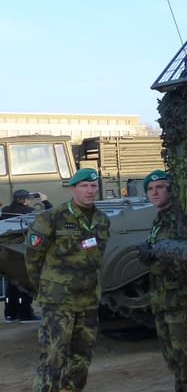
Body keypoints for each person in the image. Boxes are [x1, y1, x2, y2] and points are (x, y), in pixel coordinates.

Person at [25, 168, 111, 392]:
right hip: (59, 302)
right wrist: (45, 289)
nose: (90, 190)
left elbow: (97, 257)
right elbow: (33, 259)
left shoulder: (102, 220)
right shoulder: (51, 218)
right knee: (53, 359)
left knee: (81, 361)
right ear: (73, 188)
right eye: (84, 186)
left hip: (88, 301)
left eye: (93, 186)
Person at [140, 169, 187, 392]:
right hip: (163, 301)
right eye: (150, 189)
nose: (154, 192)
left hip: (182, 301)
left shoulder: (181, 218)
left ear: (170, 189)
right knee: (173, 358)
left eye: (160, 187)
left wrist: (154, 256)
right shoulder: (161, 219)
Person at [1, 189, 52, 323]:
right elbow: (52, 215)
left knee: (11, 285)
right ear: (25, 200)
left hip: (7, 253)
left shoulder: (6, 210)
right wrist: (45, 201)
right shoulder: (29, 212)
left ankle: (10, 314)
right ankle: (25, 314)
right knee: (24, 284)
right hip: (22, 252)